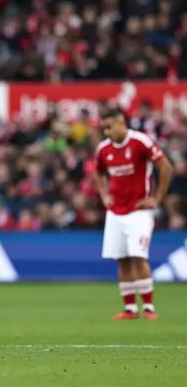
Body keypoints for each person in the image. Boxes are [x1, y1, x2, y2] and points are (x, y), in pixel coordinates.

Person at [94, 108, 173, 320]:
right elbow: (98, 173)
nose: (107, 132)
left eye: (109, 127)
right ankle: (130, 309)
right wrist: (104, 195)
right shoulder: (103, 149)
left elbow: (165, 167)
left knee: (138, 256)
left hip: (139, 210)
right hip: (115, 212)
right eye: (104, 129)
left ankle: (148, 307)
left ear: (121, 122)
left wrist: (156, 199)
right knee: (122, 259)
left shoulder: (141, 142)